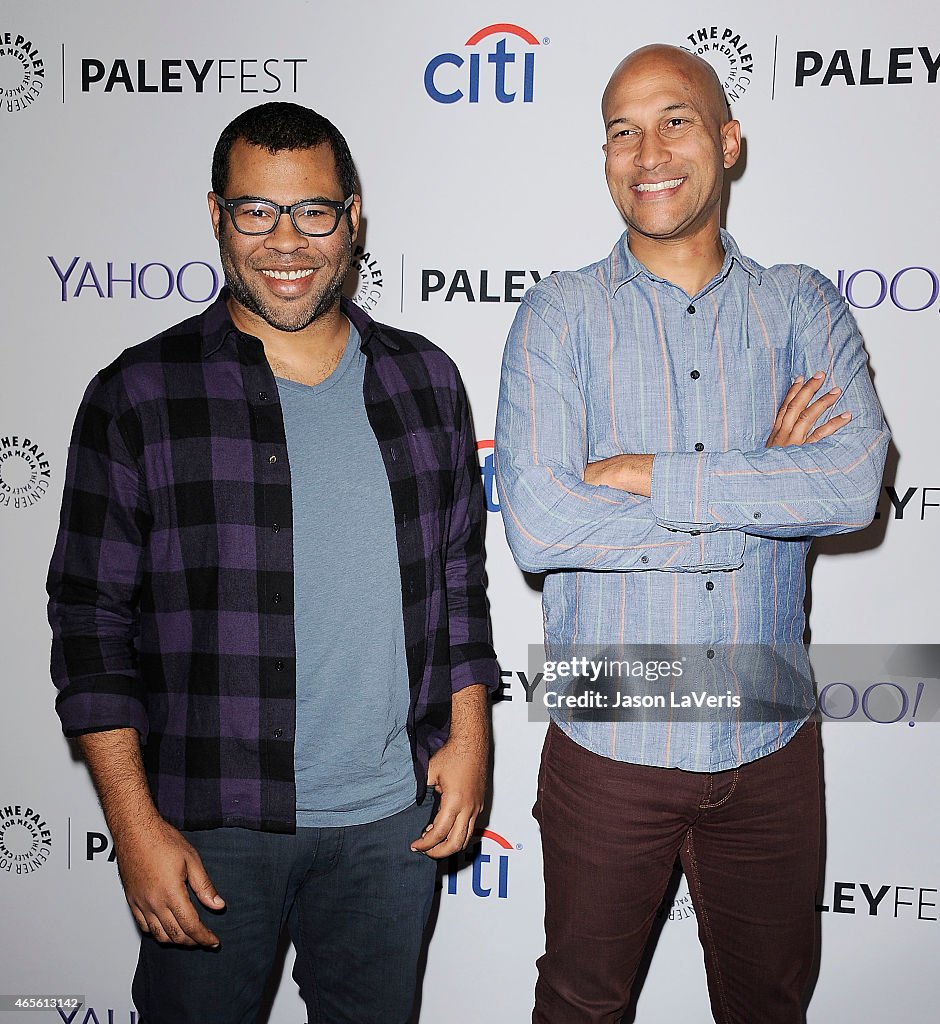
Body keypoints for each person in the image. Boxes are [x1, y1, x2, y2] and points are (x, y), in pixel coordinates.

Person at [47, 101, 498, 1024]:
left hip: (388, 826)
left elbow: (457, 578)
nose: (286, 241)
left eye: (313, 211)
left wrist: (470, 732)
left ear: (354, 216)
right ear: (216, 216)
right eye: (257, 211)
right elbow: (89, 623)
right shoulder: (139, 393)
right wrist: (134, 827)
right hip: (210, 822)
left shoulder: (425, 380)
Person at [495, 44, 888, 1024]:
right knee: (578, 1005)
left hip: (768, 730)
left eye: (674, 119)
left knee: (769, 1005)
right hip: (605, 729)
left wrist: (641, 476)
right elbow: (540, 526)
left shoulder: (801, 303)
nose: (647, 150)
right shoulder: (557, 315)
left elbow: (847, 484)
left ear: (727, 139)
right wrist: (753, 494)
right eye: (621, 130)